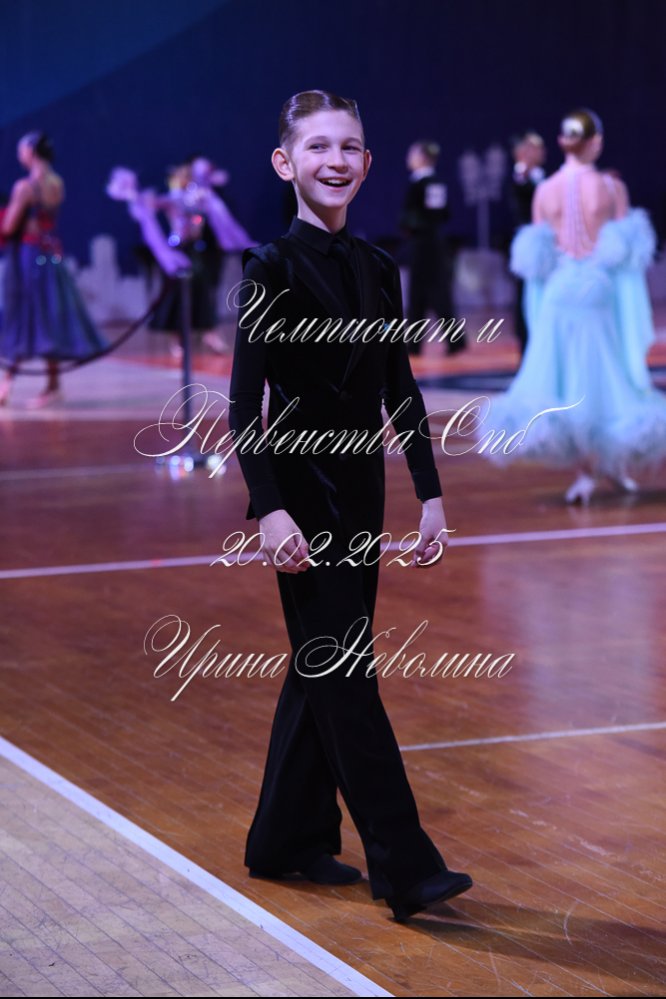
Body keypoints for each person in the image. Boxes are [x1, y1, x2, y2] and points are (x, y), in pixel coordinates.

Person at [228, 90, 473, 922]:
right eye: (318, 146)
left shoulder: (378, 266)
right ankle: (404, 866)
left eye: (350, 147)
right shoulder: (268, 269)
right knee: (345, 673)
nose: (335, 160)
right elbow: (244, 406)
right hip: (301, 500)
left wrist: (429, 492)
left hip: (363, 494)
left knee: (321, 665)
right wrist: (269, 510)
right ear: (285, 162)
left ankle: (284, 838)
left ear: (367, 163)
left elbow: (398, 385)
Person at [480, 108, 666, 503]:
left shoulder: (545, 190)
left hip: (559, 292)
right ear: (595, 141)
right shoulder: (611, 187)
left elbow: (537, 259)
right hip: (596, 291)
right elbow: (625, 259)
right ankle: (607, 465)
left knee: (567, 380)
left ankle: (589, 471)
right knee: (603, 375)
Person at [0, 131, 108, 407]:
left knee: (24, 316)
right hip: (49, 254)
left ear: (31, 152)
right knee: (46, 317)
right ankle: (48, 385)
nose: (19, 154)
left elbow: (9, 226)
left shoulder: (25, 187)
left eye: (21, 149)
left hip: (27, 256)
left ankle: (8, 384)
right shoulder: (56, 183)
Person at [399, 140, 465, 356]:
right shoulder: (428, 182)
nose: (409, 158)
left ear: (423, 157)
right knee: (425, 293)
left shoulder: (425, 183)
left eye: (412, 154)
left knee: (431, 293)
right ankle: (417, 343)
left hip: (425, 244)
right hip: (430, 242)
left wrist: (409, 224)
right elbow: (442, 213)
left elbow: (432, 215)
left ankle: (449, 341)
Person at [508, 131, 546, 354]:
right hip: (530, 248)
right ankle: (526, 347)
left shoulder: (546, 177)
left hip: (551, 245)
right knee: (526, 295)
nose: (539, 152)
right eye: (532, 148)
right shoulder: (518, 179)